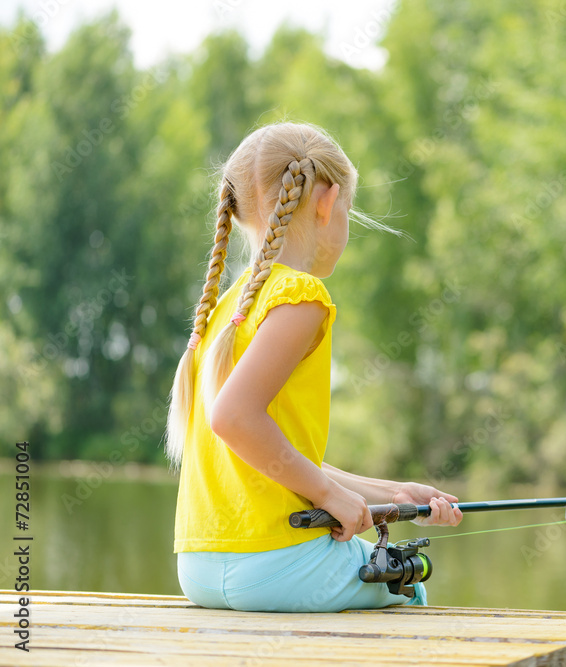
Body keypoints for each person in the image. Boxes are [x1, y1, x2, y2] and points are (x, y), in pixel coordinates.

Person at [165, 121, 462, 612]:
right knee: (411, 589)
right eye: (349, 209)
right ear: (328, 202)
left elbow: (275, 455)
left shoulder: (226, 310)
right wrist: (328, 493)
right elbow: (233, 418)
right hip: (274, 564)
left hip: (197, 569)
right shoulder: (300, 296)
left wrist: (394, 492)